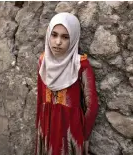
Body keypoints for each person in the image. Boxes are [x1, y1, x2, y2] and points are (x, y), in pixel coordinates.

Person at [35, 12, 99, 155]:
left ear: (74, 38)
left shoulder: (81, 65)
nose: (58, 42)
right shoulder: (43, 61)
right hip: (46, 126)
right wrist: (39, 128)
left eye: (65, 37)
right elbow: (40, 98)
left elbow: (92, 106)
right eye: (54, 35)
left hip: (71, 131)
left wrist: (84, 136)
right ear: (48, 35)